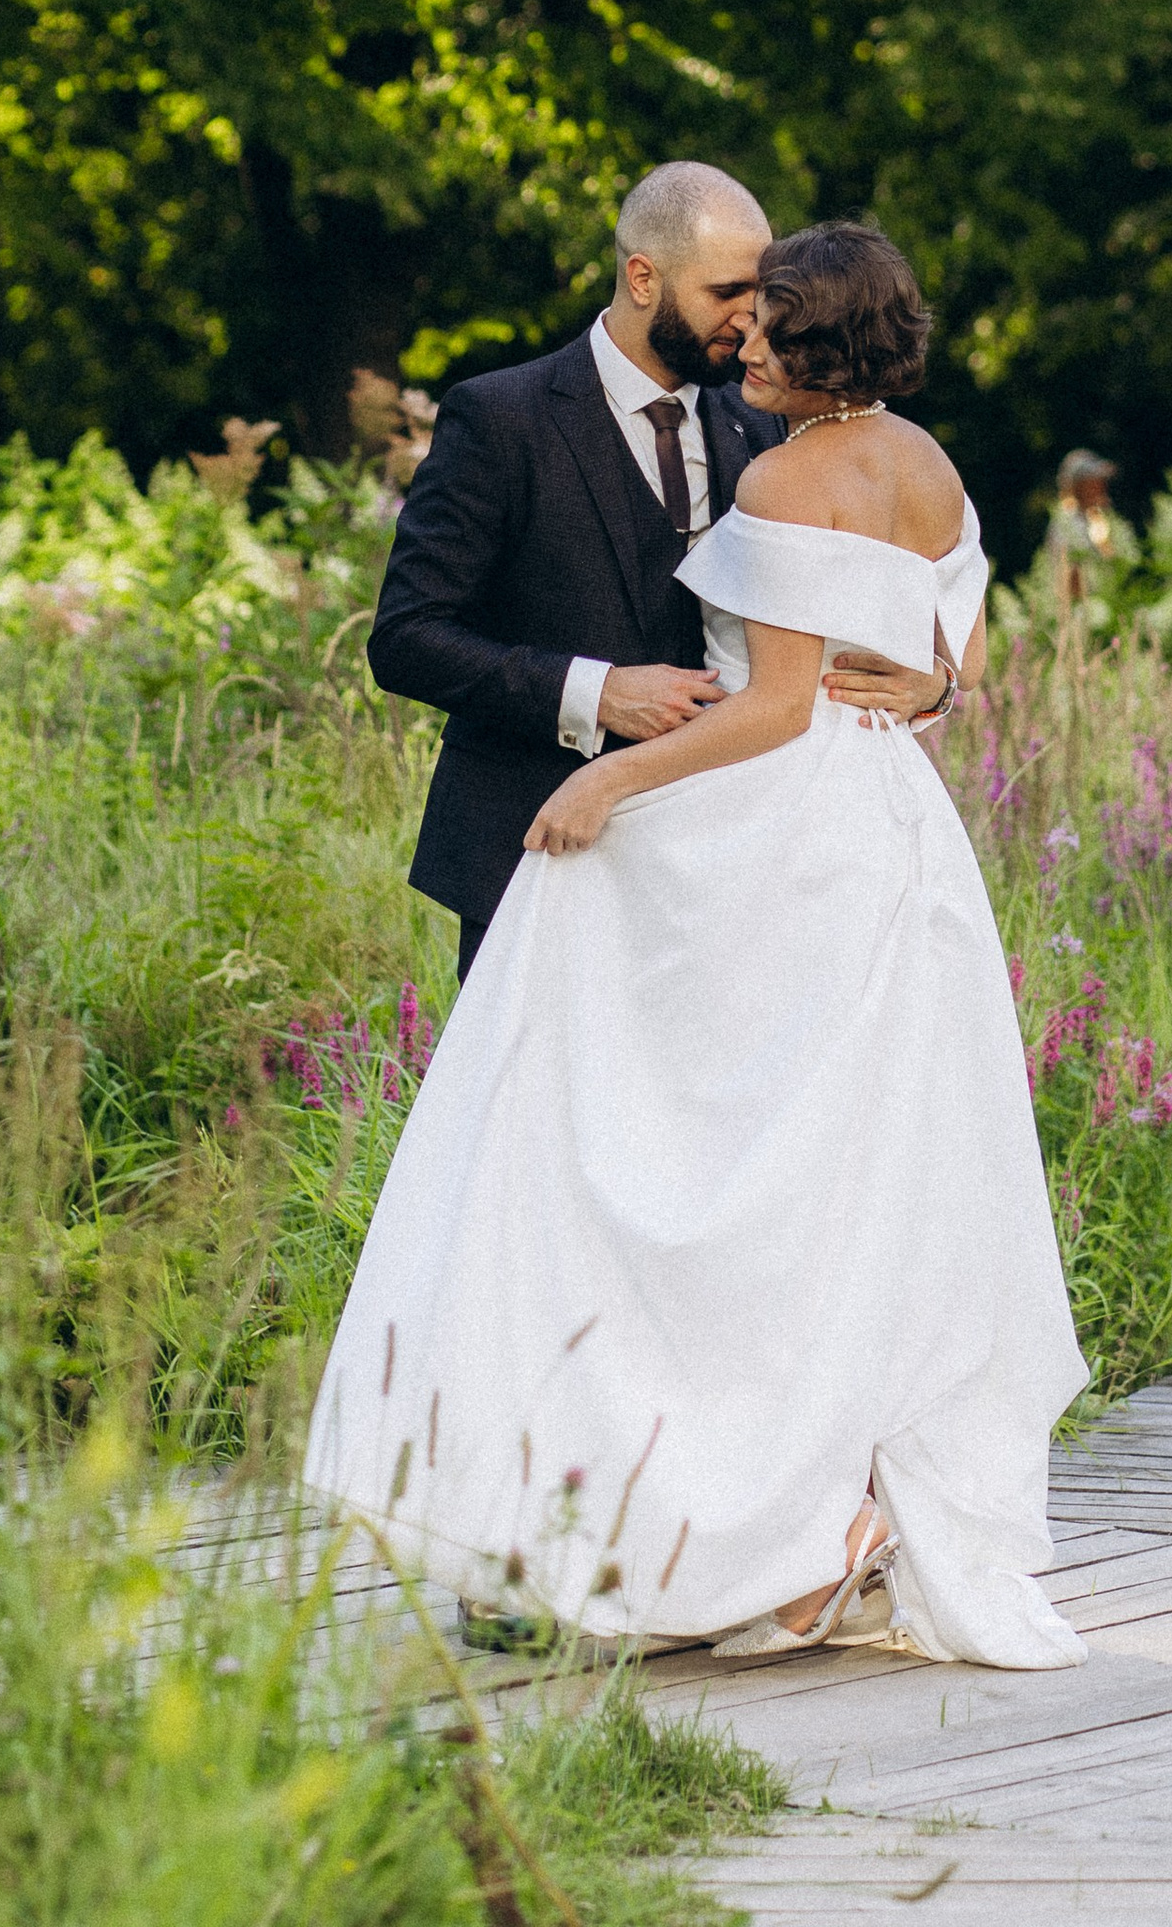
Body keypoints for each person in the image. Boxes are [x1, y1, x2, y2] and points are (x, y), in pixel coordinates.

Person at [304, 219, 1088, 1668]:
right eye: (738, 308)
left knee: (697, 1179)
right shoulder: (921, 460)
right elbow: (946, 656)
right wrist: (902, 689)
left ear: (817, 339)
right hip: (882, 842)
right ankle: (705, 1529)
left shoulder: (785, 461)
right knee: (807, 1190)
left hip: (758, 836)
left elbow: (776, 705)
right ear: (649, 268)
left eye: (769, 322)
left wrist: (601, 775)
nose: (744, 343)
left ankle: (757, 1536)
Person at [367, 159, 949, 977]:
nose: (752, 319)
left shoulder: (771, 427)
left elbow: (879, 599)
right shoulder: (501, 419)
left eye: (764, 292)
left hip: (724, 866)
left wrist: (933, 682)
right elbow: (406, 638)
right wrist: (596, 692)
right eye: (727, 292)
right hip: (542, 837)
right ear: (643, 277)